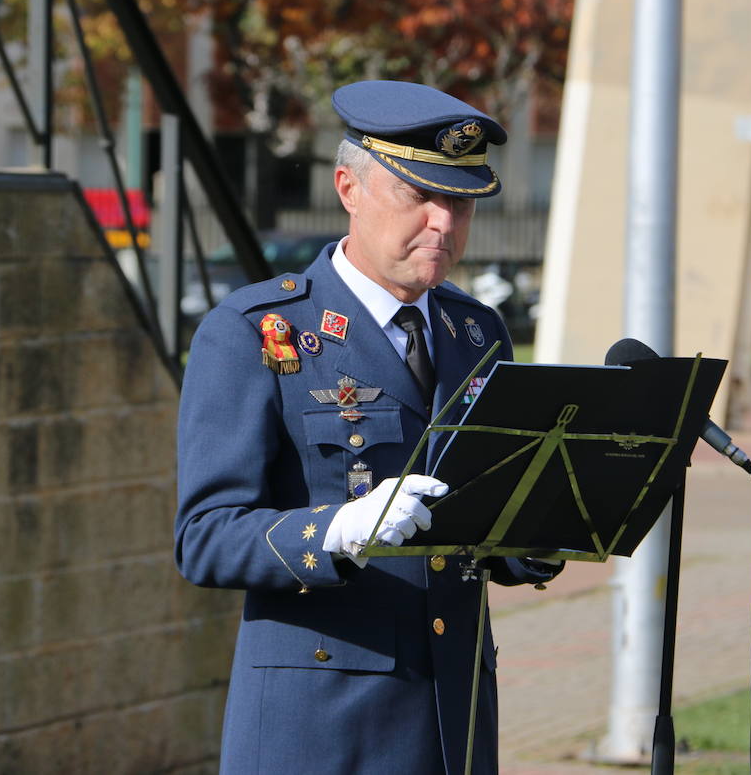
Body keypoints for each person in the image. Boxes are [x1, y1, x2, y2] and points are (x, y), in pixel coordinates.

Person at [174, 80, 560, 775]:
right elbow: (204, 537)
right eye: (421, 197)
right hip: (322, 725)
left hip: (453, 716)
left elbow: (479, 515)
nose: (444, 223)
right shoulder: (258, 334)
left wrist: (534, 534)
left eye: (461, 202)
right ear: (348, 188)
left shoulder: (476, 332)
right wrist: (339, 530)